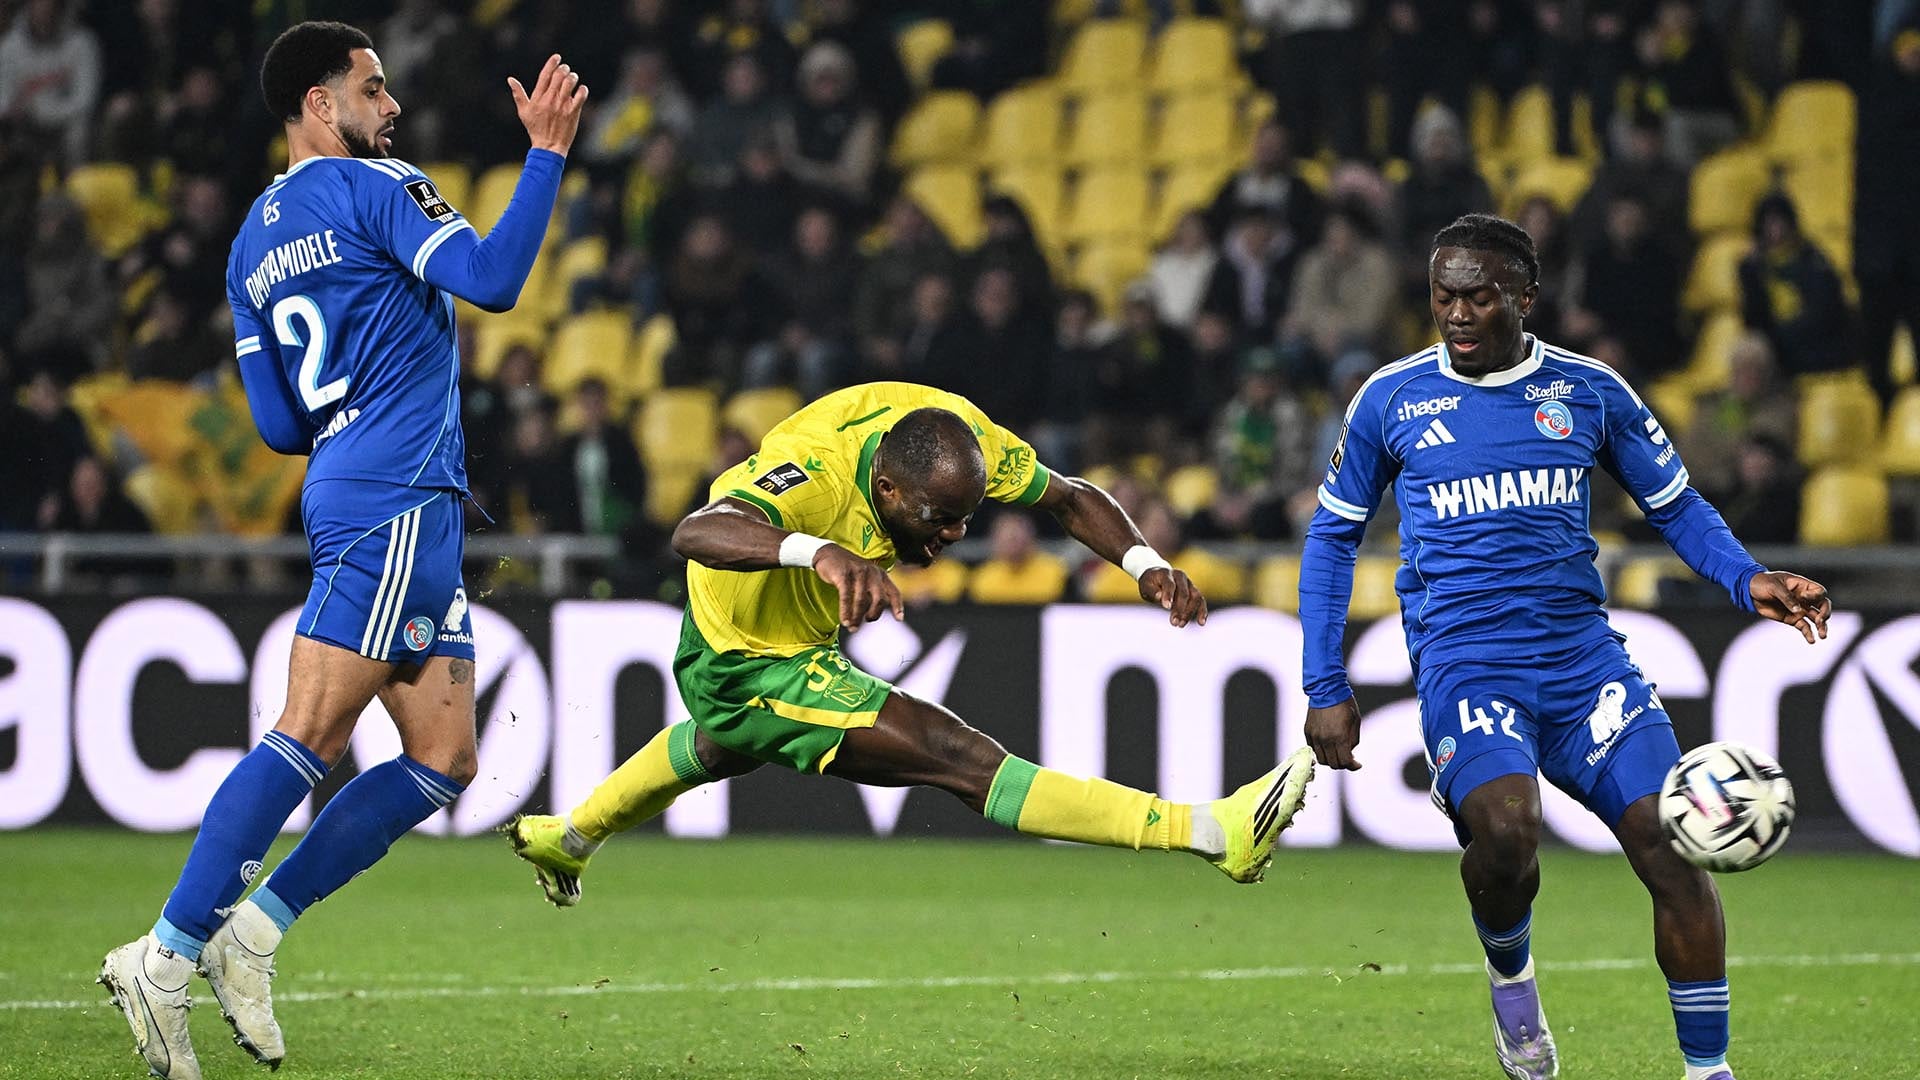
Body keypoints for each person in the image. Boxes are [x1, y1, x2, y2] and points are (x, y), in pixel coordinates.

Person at [97, 23, 588, 1080]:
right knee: (310, 731)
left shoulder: (248, 246)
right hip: (399, 491)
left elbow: (278, 423)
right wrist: (544, 153)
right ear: (322, 105)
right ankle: (167, 954)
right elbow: (495, 280)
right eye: (374, 88)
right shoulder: (378, 186)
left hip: (348, 484)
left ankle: (255, 932)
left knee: (444, 754)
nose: (392, 106)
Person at [1299, 213, 1831, 1080]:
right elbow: (1331, 541)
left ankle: (1710, 1073)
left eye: (1479, 296)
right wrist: (1326, 681)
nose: (1458, 314)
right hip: (1467, 664)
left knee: (1674, 843)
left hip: (1586, 665)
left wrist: (1747, 578)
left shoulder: (1591, 392)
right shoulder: (1391, 400)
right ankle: (1514, 992)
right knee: (1508, 836)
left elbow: (1677, 505)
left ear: (1526, 297)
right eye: (1444, 296)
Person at [503, 383, 1316, 907]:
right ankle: (1211, 832)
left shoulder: (961, 443)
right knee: (956, 756)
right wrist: (816, 550)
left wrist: (1145, 563)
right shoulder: (813, 473)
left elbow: (1068, 498)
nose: (954, 538)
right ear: (887, 490)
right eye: (937, 522)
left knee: (721, 748)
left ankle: (568, 837)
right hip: (747, 658)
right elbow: (698, 530)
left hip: (789, 632)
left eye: (966, 520)